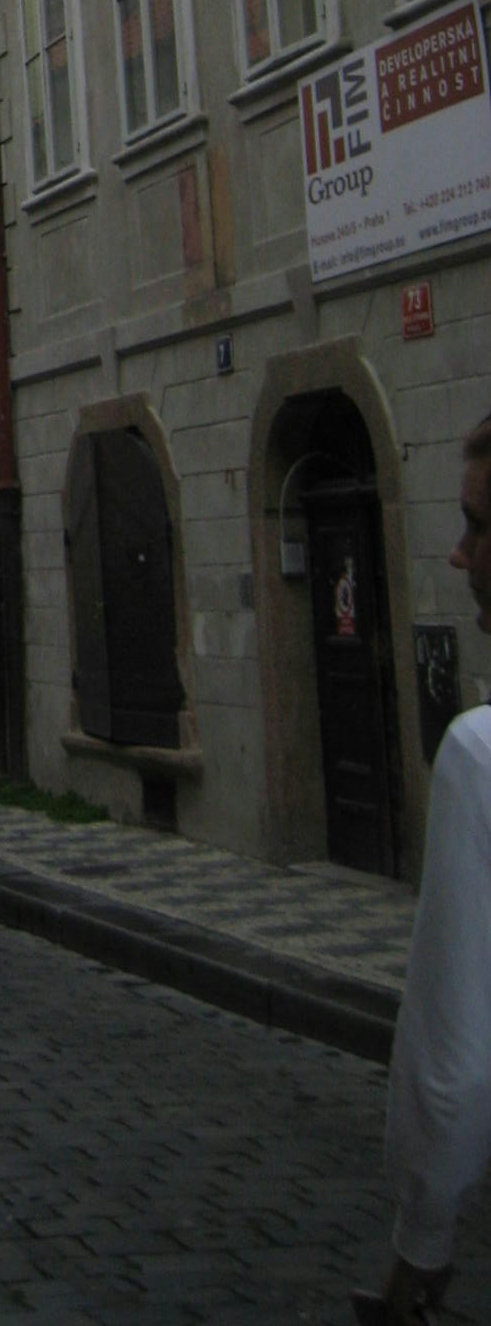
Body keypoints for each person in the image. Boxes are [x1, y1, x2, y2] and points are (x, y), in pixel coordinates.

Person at [367, 418, 491, 1320]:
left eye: (478, 527)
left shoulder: (479, 756)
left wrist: (422, 1241)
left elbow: (453, 1062)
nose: (459, 554)